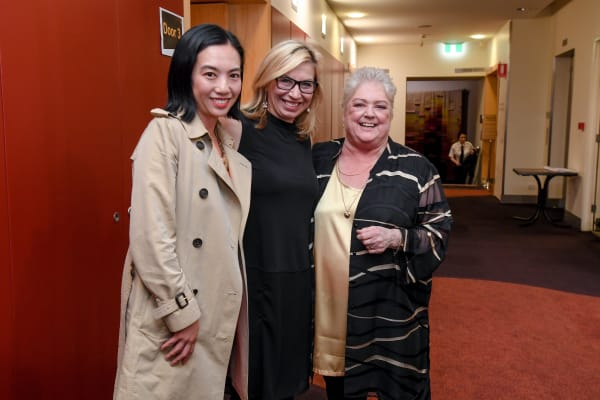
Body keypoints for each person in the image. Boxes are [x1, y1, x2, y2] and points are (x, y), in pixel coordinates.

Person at [113, 24, 251, 400]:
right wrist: (182, 313)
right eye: (210, 74)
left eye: (234, 75)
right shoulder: (164, 134)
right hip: (177, 317)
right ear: (186, 75)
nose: (224, 87)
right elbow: (151, 238)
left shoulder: (226, 143)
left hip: (214, 314)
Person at [311, 67, 452, 400]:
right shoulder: (318, 158)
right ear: (344, 110)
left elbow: (439, 231)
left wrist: (398, 239)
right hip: (326, 304)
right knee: (339, 387)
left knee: (395, 385)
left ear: (391, 113)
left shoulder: (416, 169)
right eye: (359, 104)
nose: (369, 114)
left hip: (387, 309)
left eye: (380, 105)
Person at [236, 40, 322, 400]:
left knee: (288, 381)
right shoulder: (237, 128)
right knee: (255, 381)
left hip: (297, 277)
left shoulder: (302, 138)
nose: (295, 93)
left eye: (306, 84)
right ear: (267, 80)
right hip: (256, 277)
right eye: (285, 81)